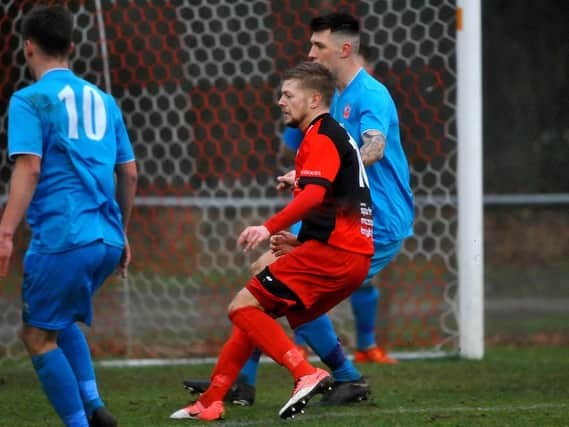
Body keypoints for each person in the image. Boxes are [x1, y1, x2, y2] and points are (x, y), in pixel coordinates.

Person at [182, 13, 414, 406]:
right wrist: (306, 171)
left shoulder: (371, 94)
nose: (310, 52)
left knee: (274, 288)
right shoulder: (330, 95)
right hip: (335, 214)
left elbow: (373, 146)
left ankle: (259, 380)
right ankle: (321, 378)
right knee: (269, 283)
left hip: (377, 220)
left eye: (317, 46)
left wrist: (324, 169)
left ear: (343, 49)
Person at [170, 60, 374, 421]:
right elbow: (335, 201)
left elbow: (313, 197)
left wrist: (266, 228)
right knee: (255, 308)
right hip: (343, 253)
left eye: (288, 94)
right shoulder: (328, 134)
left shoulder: (323, 135)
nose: (280, 101)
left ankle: (305, 373)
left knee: (242, 306)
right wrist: (300, 244)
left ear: (313, 100)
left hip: (339, 254)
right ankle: (212, 401)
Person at [0, 5, 137, 427]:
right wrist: (122, 232)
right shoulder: (106, 100)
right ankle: (94, 406)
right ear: (71, 47)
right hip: (107, 239)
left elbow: (30, 167)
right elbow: (129, 173)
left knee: (37, 336)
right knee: (59, 319)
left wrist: (5, 232)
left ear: (28, 48)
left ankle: (81, 422)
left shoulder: (29, 100)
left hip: (64, 236)